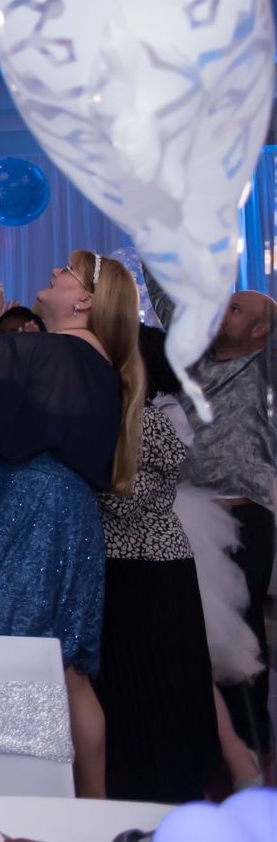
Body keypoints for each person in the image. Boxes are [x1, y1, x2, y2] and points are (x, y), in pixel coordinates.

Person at [0, 230, 144, 798]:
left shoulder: (61, 350)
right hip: (65, 515)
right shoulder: (89, 360)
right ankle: (89, 811)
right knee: (67, 675)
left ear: (84, 301)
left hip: (26, 513)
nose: (55, 274)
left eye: (67, 272)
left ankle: (3, 800)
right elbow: (13, 398)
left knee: (3, 657)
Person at [146, 271, 277, 755]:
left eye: (237, 310)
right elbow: (167, 298)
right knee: (185, 629)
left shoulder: (267, 369)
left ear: (262, 332)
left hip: (241, 517)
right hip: (181, 516)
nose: (224, 312)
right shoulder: (191, 360)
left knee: (239, 636)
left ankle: (252, 747)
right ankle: (198, 741)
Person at [93, 325, 221, 803]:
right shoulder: (129, 416)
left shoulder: (145, 420)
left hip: (146, 566)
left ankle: (155, 794)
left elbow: (129, 502)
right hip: (141, 565)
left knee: (152, 688)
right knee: (144, 688)